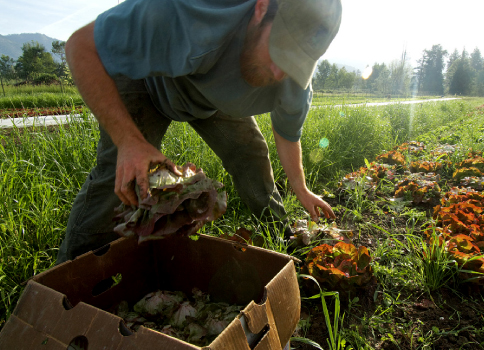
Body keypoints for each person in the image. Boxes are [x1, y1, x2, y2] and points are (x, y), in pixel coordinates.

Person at [56, 0, 341, 264]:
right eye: (281, 51)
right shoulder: (187, 12)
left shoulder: (292, 83)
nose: (280, 73)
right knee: (120, 180)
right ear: (261, 8)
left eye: (296, 63)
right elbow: (80, 47)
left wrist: (300, 188)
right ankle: (68, 283)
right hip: (146, 81)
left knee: (252, 153)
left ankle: (279, 236)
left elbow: (288, 134)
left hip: (212, 100)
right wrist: (129, 141)